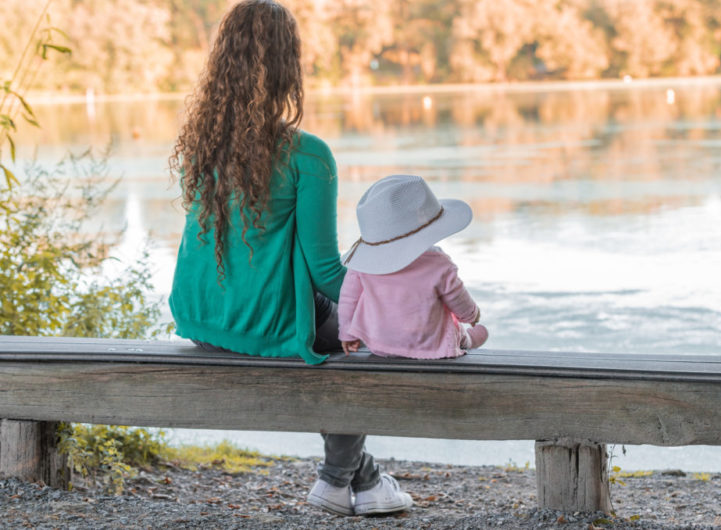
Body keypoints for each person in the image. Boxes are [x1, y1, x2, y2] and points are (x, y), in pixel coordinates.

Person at [167, 0, 411, 517]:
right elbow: (325, 271)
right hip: (265, 323)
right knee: (357, 338)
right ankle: (333, 481)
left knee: (336, 320)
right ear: (287, 68)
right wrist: (394, 303)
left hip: (201, 316)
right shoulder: (308, 154)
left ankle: (364, 482)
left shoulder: (201, 146)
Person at [339, 175, 489, 358]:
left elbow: (348, 300)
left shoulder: (362, 265)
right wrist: (472, 315)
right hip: (430, 344)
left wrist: (347, 334)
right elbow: (457, 297)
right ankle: (468, 339)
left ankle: (465, 337)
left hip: (380, 342)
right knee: (452, 326)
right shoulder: (438, 263)